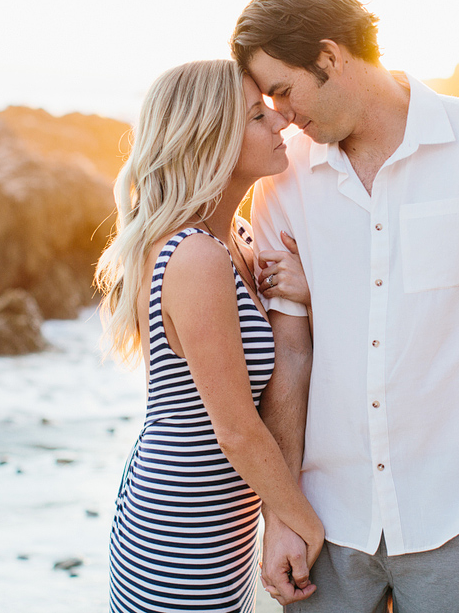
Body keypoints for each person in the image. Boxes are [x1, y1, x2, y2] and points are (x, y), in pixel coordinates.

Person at [234, 0, 459, 611]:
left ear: (330, 57)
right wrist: (281, 512)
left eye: (284, 90)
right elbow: (290, 355)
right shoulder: (284, 181)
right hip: (325, 525)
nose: (281, 114)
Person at [96, 59, 323, 612]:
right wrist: (302, 521)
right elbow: (236, 431)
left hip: (217, 527)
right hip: (179, 532)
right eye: (256, 117)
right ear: (212, 139)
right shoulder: (194, 254)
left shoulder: (237, 238)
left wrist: (310, 292)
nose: (281, 125)